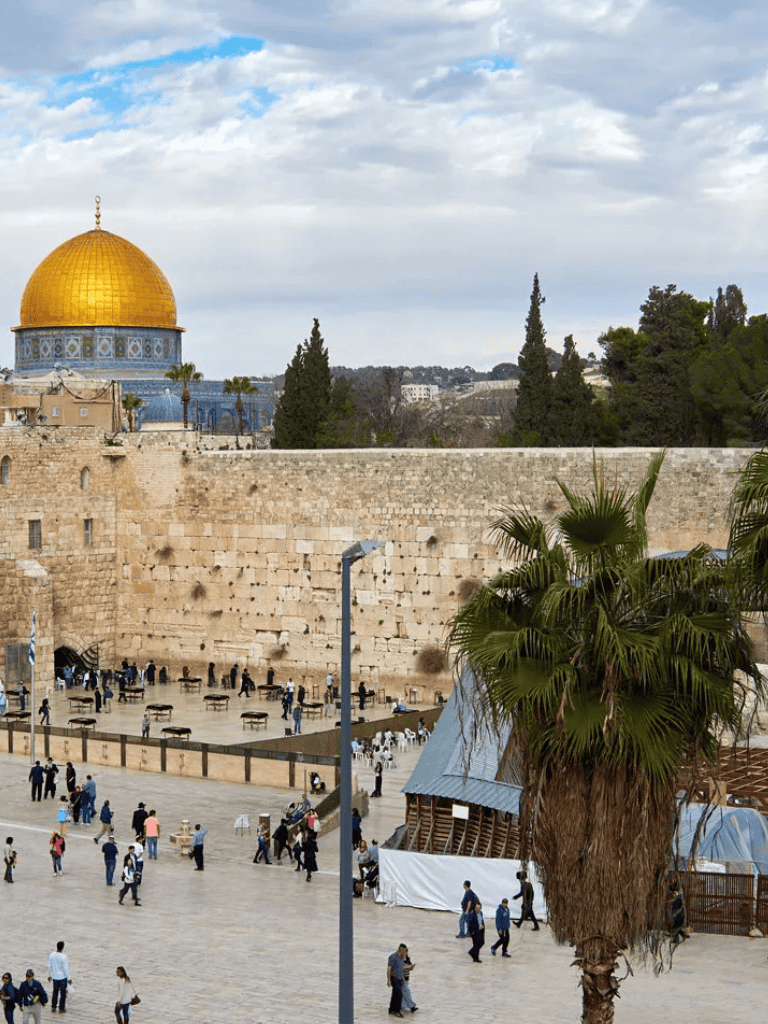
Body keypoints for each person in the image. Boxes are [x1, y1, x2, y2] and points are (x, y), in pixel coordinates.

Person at [47, 941, 70, 1015]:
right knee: (63, 994)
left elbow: (49, 966)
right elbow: (65, 968)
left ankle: (53, 1006)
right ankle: (61, 1008)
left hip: (55, 977)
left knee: (55, 992)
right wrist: (69, 978)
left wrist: (49, 975)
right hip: (62, 978)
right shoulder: (63, 957)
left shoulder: (52, 955)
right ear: (63, 947)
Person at [386, 943, 408, 1018]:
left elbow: (400, 967)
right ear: (400, 950)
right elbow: (389, 969)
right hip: (394, 978)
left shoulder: (402, 957)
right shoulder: (393, 957)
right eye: (404, 950)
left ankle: (391, 1009)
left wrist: (402, 977)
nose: (405, 952)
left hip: (399, 978)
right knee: (399, 994)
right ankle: (397, 1011)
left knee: (395, 994)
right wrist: (389, 980)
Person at [669, 882, 688, 948]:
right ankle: (684, 935)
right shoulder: (679, 896)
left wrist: (675, 913)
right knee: (677, 927)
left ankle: (676, 940)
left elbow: (680, 907)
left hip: (679, 914)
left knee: (675, 927)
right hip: (678, 914)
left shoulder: (679, 896)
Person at [401, 947, 418, 1014]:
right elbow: (400, 968)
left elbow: (410, 968)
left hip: (407, 978)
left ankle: (402, 1006)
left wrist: (411, 966)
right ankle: (412, 1006)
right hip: (402, 979)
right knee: (407, 992)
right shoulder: (399, 959)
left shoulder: (407, 959)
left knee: (403, 993)